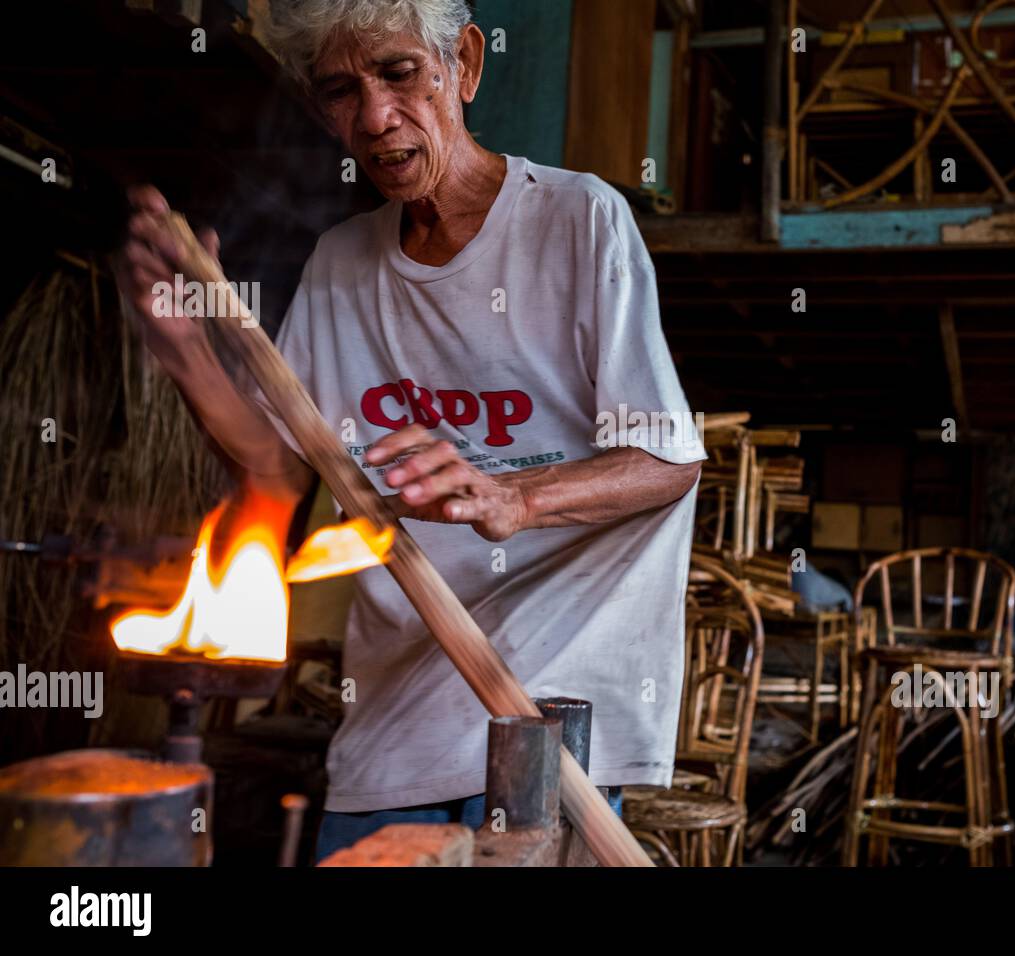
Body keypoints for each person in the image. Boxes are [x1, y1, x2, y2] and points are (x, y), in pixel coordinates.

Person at [116, 0, 703, 860]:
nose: (376, 117)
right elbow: (281, 473)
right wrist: (188, 358)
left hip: (542, 730)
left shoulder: (577, 221)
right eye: (340, 92)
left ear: (462, 64)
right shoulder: (340, 263)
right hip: (392, 731)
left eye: (398, 73)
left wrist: (511, 496)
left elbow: (667, 460)